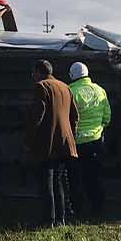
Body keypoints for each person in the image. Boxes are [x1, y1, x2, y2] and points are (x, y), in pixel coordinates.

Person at [27, 59, 78, 227]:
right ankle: (60, 219)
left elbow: (37, 117)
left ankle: (48, 220)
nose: (32, 76)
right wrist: (71, 135)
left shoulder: (41, 87)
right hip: (64, 142)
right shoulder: (65, 87)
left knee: (46, 181)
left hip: (47, 142)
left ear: (39, 72)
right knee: (58, 181)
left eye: (33, 72)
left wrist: (30, 139)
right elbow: (74, 116)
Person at [65, 62, 111, 219]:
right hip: (97, 141)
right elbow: (107, 117)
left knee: (76, 178)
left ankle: (78, 210)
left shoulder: (70, 92)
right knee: (94, 176)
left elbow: (66, 118)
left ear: (71, 75)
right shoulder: (100, 90)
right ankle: (98, 208)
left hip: (77, 144)